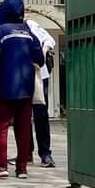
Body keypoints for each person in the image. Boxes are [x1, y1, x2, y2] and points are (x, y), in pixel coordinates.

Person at [0, 0, 44, 180]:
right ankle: (22, 168)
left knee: (1, 125)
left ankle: (0, 166)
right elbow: (39, 58)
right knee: (23, 127)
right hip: (26, 87)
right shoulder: (28, 32)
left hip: (5, 86)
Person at [27, 18, 57, 168]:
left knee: (41, 115)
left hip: (39, 74)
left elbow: (50, 40)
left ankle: (45, 153)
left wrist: (44, 50)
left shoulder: (31, 24)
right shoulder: (6, 27)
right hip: (21, 76)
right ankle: (26, 153)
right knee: (23, 115)